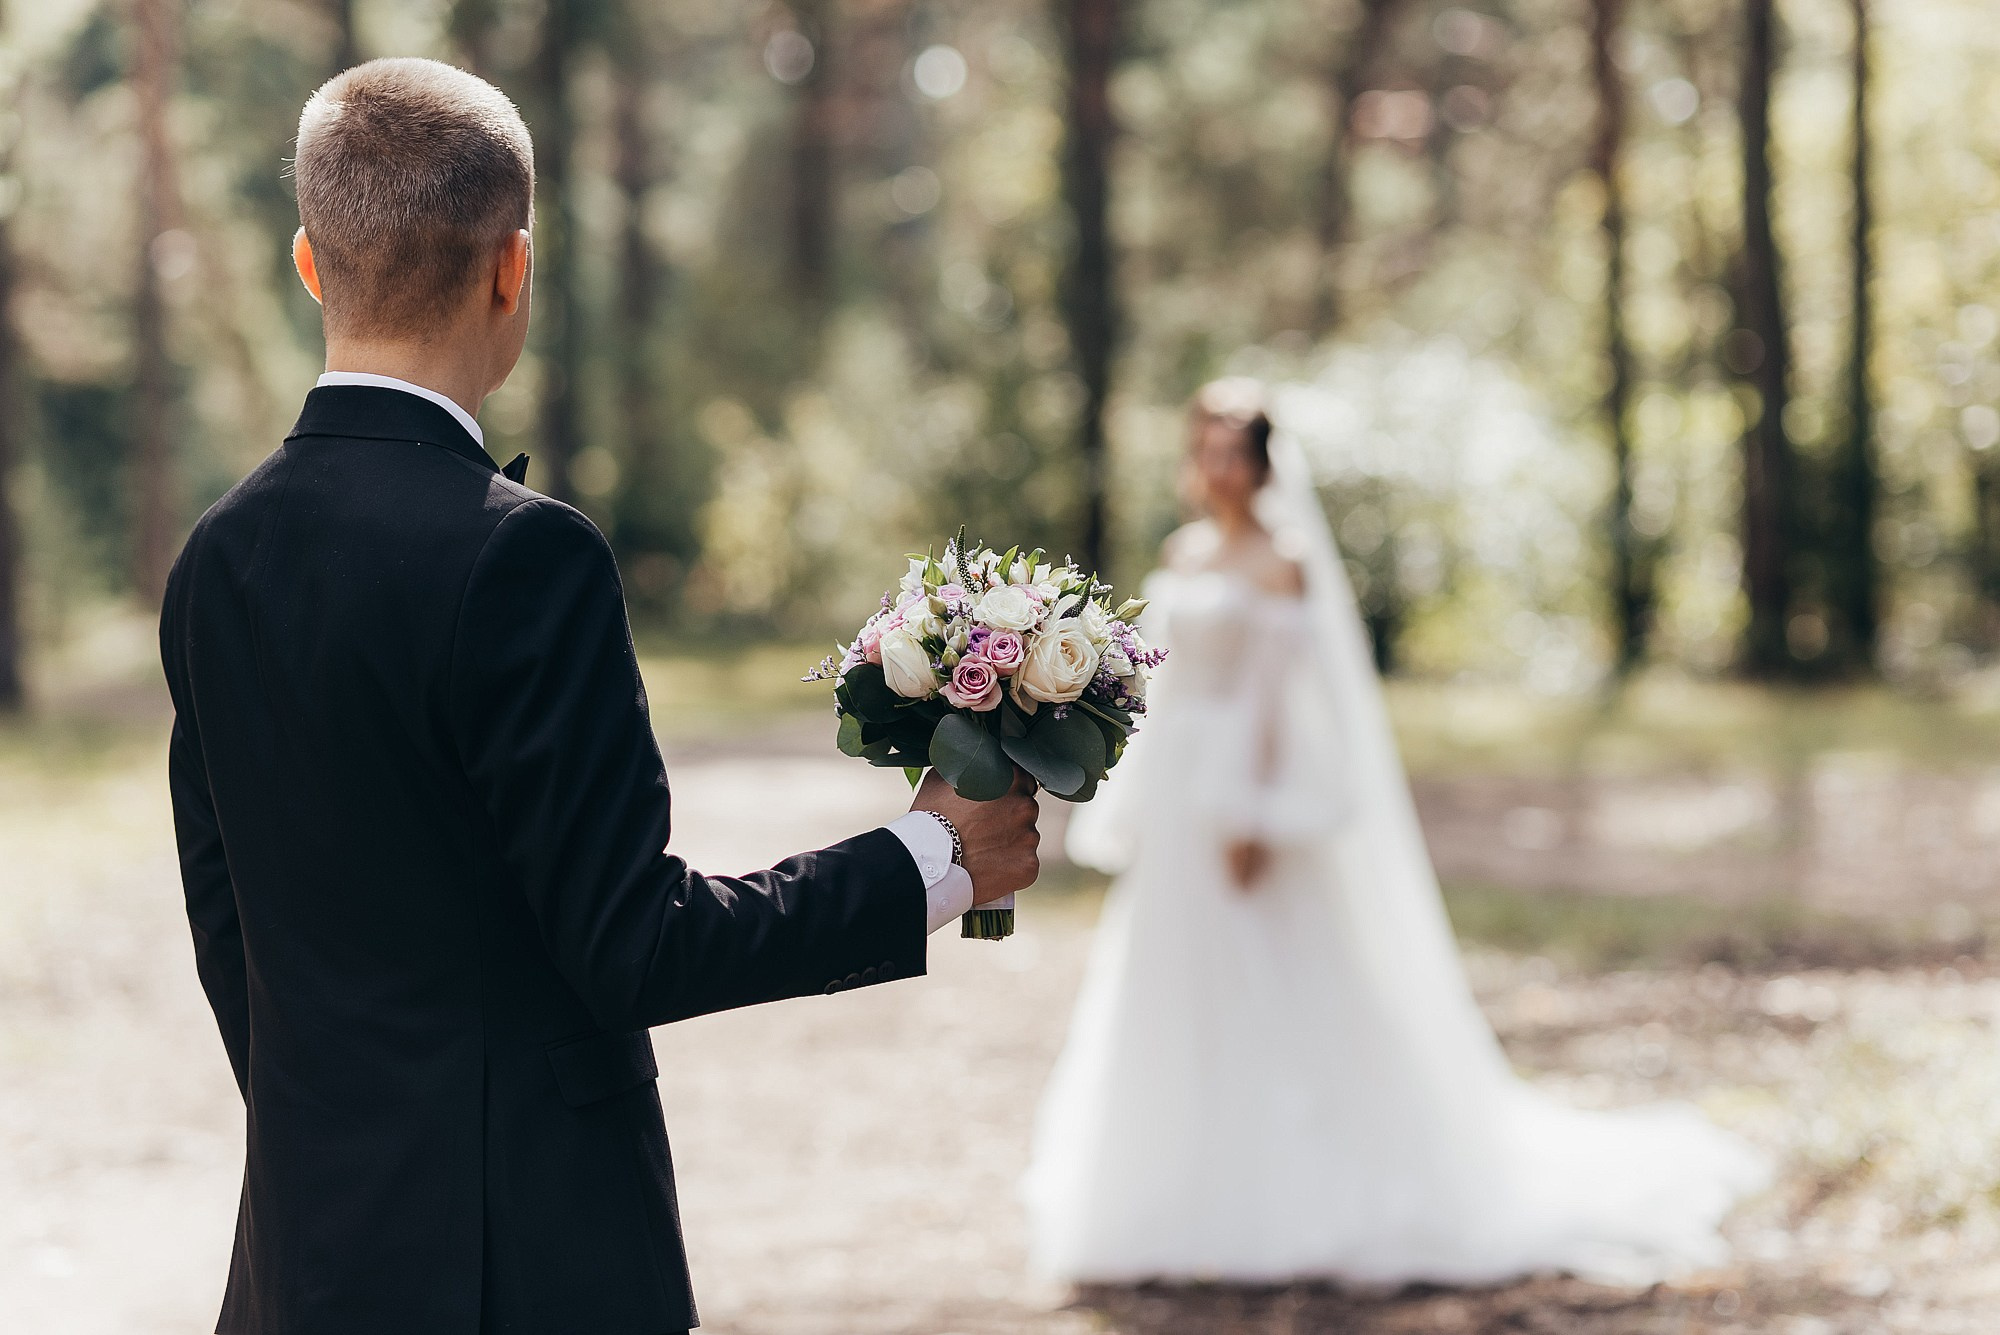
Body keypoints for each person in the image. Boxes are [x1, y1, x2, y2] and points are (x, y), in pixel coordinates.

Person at [159, 58, 1039, 1335]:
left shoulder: (214, 558)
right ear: (513, 268)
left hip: (305, 1267)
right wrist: (930, 859)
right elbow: (632, 942)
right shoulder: (524, 554)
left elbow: (228, 935)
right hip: (526, 1267)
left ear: (308, 264)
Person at [1025, 378, 1767, 1289]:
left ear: (1260, 465)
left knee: (1272, 968)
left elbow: (1275, 698)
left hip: (1243, 779)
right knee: (1174, 971)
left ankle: (1293, 1184)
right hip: (1179, 781)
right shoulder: (1185, 550)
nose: (1217, 466)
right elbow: (1164, 681)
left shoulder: (1284, 560)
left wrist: (1253, 809)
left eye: (1233, 452)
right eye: (1205, 448)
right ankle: (1168, 1184)